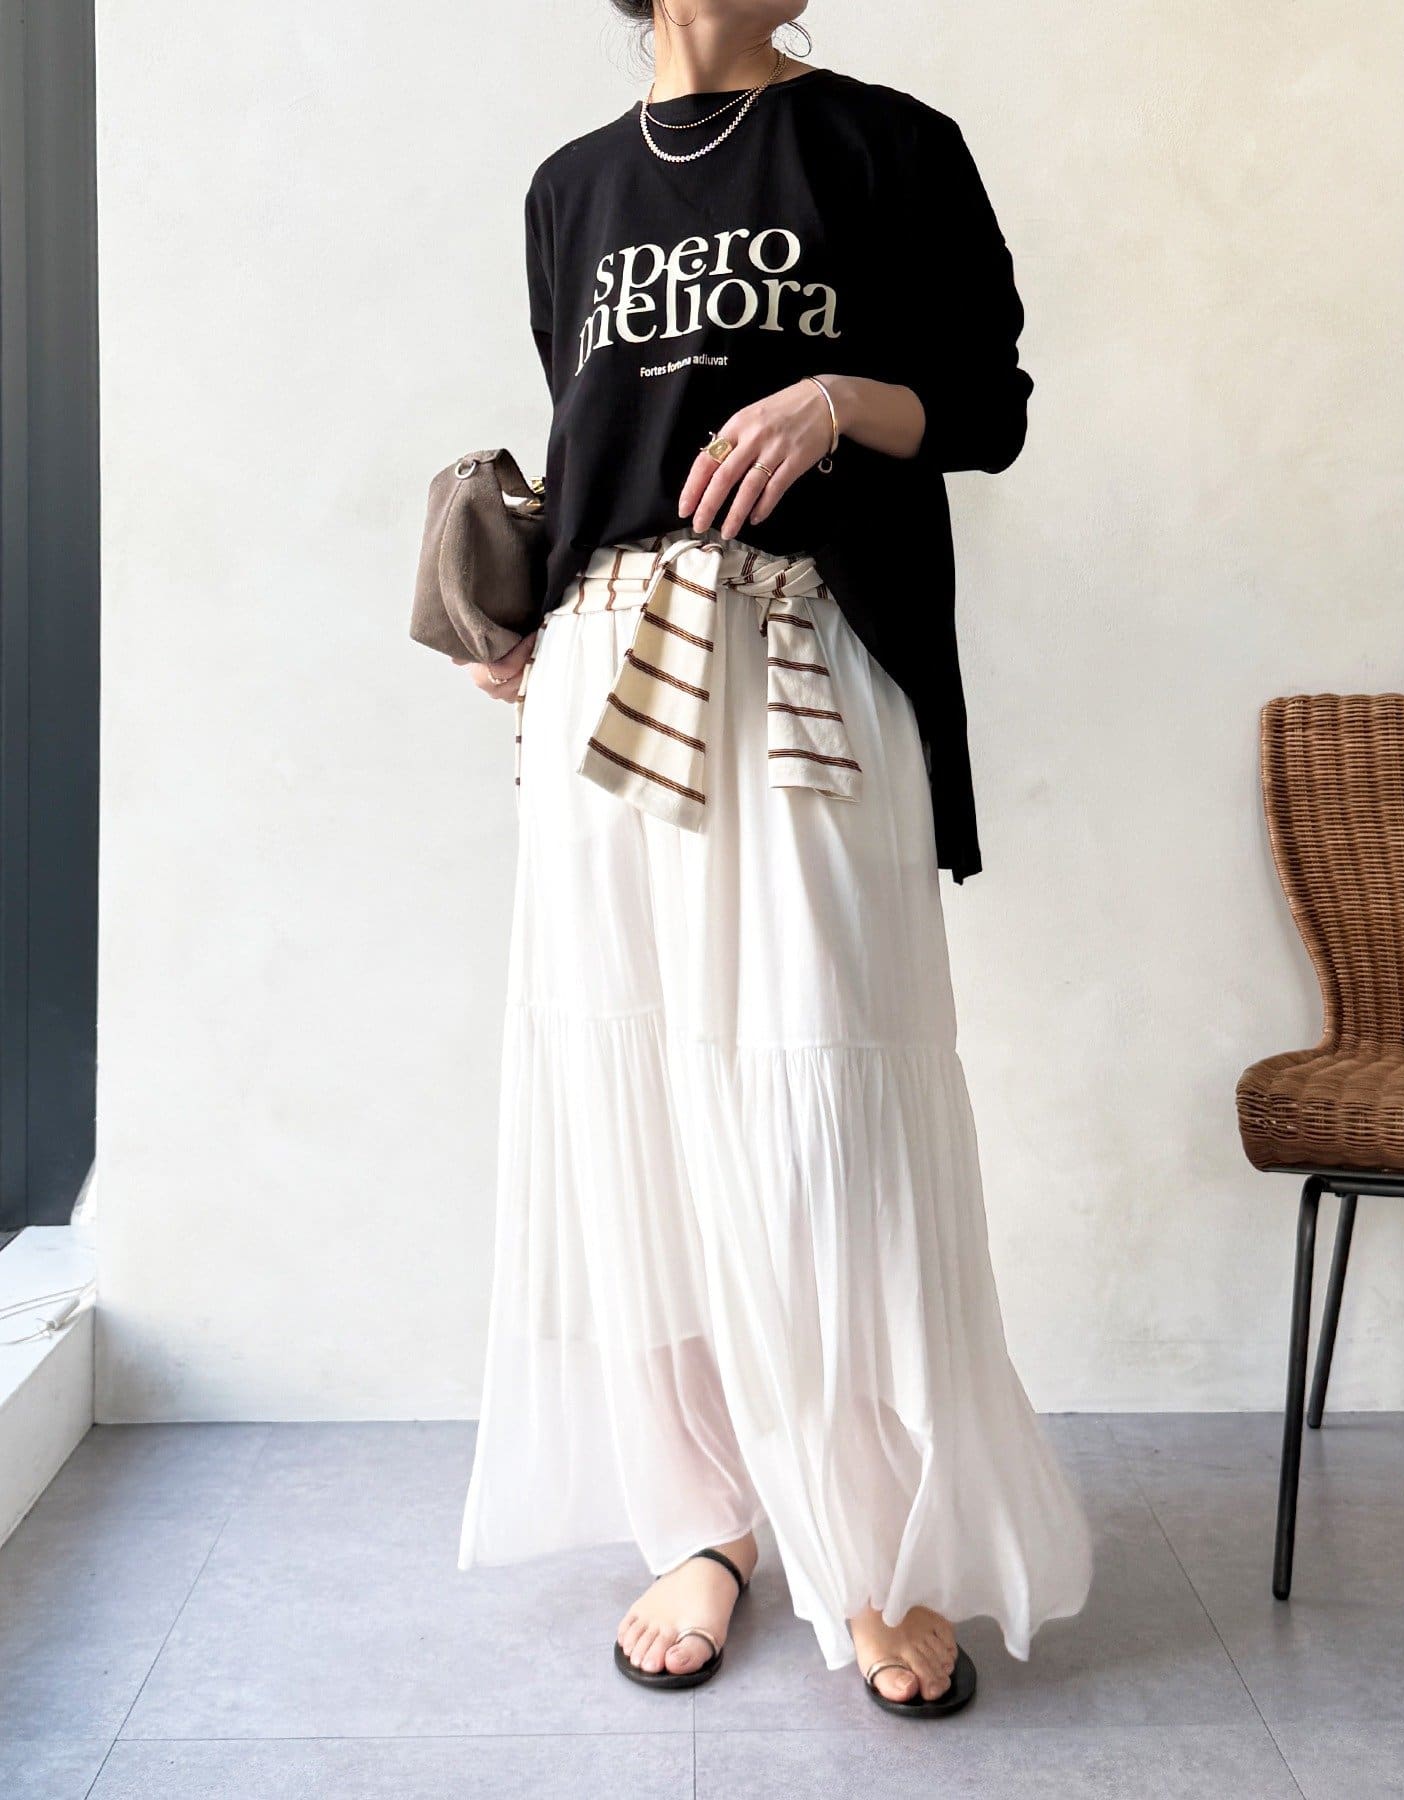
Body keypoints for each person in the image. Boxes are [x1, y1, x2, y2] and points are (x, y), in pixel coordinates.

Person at [457, 0, 1093, 1718]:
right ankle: (704, 1520)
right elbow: (596, 439)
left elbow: (989, 407)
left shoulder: (891, 144)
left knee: (838, 1112)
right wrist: (523, 621)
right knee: (640, 1105)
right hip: (606, 679)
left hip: (808, 656)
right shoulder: (570, 187)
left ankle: (879, 1540)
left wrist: (834, 399)